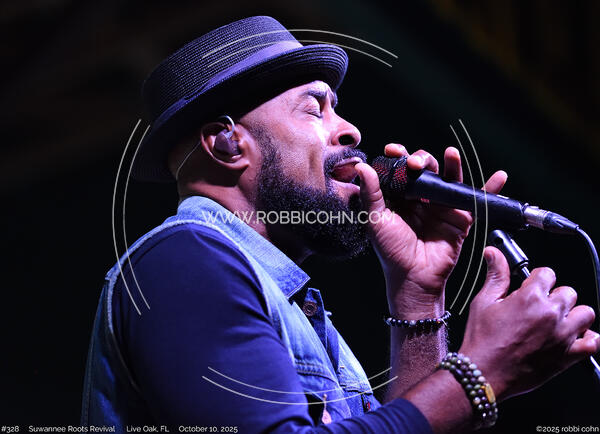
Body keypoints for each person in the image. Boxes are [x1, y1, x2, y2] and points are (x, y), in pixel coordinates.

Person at [81, 16, 599, 433]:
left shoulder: (286, 302)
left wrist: (417, 296)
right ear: (227, 143)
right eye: (315, 110)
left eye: (338, 109)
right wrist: (479, 375)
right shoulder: (182, 263)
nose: (350, 131)